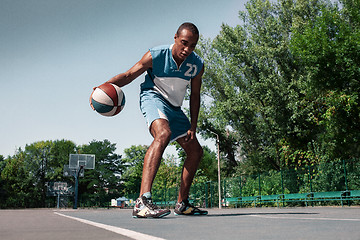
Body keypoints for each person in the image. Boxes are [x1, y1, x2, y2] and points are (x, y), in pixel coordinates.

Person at [93, 22, 207, 218]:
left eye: (193, 45)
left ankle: (182, 203)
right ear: (175, 38)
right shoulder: (155, 55)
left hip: (175, 108)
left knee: (195, 151)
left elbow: (195, 95)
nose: (187, 49)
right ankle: (142, 202)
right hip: (153, 97)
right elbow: (129, 75)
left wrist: (193, 126)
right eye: (184, 43)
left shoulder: (196, 65)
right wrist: (103, 87)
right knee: (163, 133)